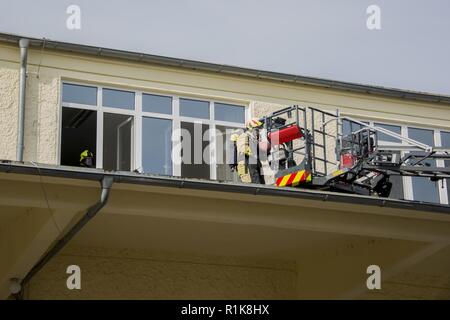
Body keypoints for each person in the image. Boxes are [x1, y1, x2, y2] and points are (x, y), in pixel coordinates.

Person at [234, 118, 264, 184]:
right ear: (251, 128)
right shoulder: (244, 136)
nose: (258, 132)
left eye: (259, 129)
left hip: (254, 166)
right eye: (257, 129)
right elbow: (243, 151)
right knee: (254, 187)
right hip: (248, 166)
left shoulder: (253, 140)